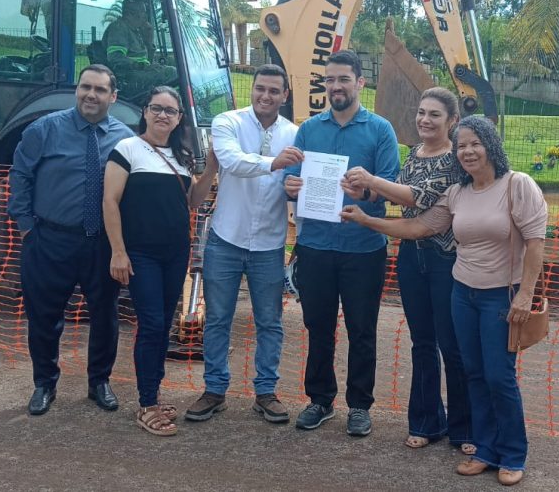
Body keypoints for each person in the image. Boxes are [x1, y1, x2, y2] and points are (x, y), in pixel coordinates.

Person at [340, 115, 547, 486]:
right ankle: (484, 449)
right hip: (462, 293)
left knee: (499, 376)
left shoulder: (517, 185)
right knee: (474, 372)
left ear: (491, 145)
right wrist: (366, 221)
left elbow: (535, 242)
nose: (468, 151)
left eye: (475, 143)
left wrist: (526, 294)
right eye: (462, 145)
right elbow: (417, 227)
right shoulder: (458, 193)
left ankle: (513, 453)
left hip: (502, 296)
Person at [342, 88, 473, 454]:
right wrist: (363, 192)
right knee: (422, 343)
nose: (424, 120)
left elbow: (419, 197)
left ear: (452, 121)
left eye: (434, 114)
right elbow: (398, 193)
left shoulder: (455, 160)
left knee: (451, 344)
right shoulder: (414, 153)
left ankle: (465, 428)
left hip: (444, 260)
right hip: (411, 258)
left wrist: (371, 180)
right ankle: (426, 422)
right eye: (421, 112)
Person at [283, 50, 400, 437]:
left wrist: (365, 192)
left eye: (343, 79)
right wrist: (291, 185)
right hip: (316, 246)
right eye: (329, 80)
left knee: (362, 330)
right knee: (318, 326)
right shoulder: (309, 130)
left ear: (360, 83)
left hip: (363, 248)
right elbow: (292, 179)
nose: (335, 86)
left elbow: (389, 189)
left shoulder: (380, 130)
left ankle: (360, 406)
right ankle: (320, 400)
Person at [8, 64, 135, 416]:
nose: (90, 95)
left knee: (105, 316)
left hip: (101, 245)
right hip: (50, 240)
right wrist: (26, 227)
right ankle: (44, 384)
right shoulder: (44, 129)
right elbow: (20, 176)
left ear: (113, 96)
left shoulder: (126, 139)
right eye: (85, 87)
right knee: (44, 317)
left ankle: (99, 382)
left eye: (99, 89)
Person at [185, 65, 302, 424]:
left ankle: (266, 392)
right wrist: (274, 163)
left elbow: (300, 181)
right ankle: (214, 389)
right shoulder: (228, 122)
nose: (266, 96)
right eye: (260, 88)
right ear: (252, 89)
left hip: (269, 243)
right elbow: (232, 162)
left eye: (274, 91)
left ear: (285, 95)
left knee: (270, 322)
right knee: (218, 319)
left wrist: (297, 194)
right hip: (226, 238)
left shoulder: (295, 134)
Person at [103, 86, 217, 436]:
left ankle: (153, 393)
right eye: (157, 108)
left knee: (163, 324)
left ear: (179, 118)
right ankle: (147, 403)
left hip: (175, 253)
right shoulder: (127, 149)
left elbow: (193, 201)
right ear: (145, 111)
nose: (163, 115)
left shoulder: (181, 156)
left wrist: (211, 169)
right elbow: (110, 201)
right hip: (141, 253)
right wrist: (118, 251)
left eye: (170, 111)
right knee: (152, 324)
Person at [103, 0, 176, 96]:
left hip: (138, 74)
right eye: (143, 12)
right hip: (126, 78)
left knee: (176, 68)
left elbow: (147, 60)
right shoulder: (119, 28)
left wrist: (149, 42)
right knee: (173, 73)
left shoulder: (136, 31)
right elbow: (116, 58)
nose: (145, 16)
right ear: (131, 14)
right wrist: (142, 66)